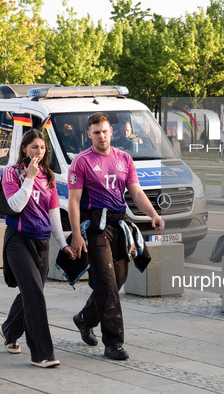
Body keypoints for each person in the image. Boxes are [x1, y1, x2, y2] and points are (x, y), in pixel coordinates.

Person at [68, 112, 163, 361]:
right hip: (95, 227)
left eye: (105, 131)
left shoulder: (124, 158)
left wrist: (153, 214)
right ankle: (113, 343)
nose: (101, 136)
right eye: (96, 132)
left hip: (119, 224)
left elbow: (137, 193)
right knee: (107, 282)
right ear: (89, 135)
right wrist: (76, 235)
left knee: (118, 279)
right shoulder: (81, 162)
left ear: (112, 132)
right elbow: (74, 202)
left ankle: (84, 318)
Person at [0, 129, 73, 368]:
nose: (38, 152)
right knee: (34, 295)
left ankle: (9, 330)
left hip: (42, 243)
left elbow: (54, 217)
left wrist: (63, 245)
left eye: (42, 147)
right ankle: (42, 354)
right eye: (33, 147)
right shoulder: (12, 173)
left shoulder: (49, 177)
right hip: (18, 241)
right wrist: (29, 177)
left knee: (33, 293)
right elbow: (15, 205)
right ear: (24, 149)